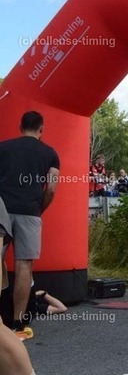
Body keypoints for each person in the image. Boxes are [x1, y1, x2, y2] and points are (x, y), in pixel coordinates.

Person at [0, 111, 60, 340]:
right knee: (24, 265)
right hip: (30, 212)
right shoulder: (50, 154)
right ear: (41, 129)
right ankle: (18, 324)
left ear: (20, 126)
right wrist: (38, 209)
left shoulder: (3, 148)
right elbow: (51, 188)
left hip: (1, 211)